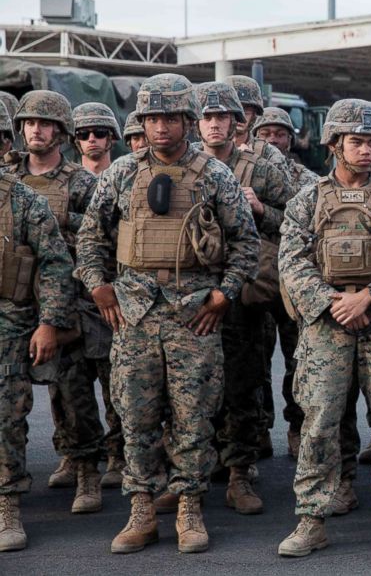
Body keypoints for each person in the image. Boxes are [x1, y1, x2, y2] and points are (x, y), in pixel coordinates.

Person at [75, 73, 259, 554]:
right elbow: (91, 237)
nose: (159, 128)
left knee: (193, 416)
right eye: (151, 118)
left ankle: (189, 506)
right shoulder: (121, 172)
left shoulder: (215, 175)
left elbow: (245, 243)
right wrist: (100, 288)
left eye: (169, 118)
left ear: (186, 121)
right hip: (133, 314)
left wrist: (224, 294)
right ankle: (140, 508)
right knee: (135, 414)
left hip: (193, 314)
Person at [277, 99, 371, 558]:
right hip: (327, 325)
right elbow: (292, 262)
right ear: (335, 144)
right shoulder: (308, 199)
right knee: (320, 419)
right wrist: (334, 302)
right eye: (357, 141)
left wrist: (370, 296)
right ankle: (311, 518)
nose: (367, 150)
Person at [193, 81, 293, 515]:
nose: (215, 125)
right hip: (191, 291)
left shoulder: (263, 166)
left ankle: (239, 473)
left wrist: (261, 210)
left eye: (223, 117)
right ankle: (189, 477)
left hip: (242, 293)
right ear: (194, 123)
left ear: (239, 122)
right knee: (187, 389)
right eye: (207, 117)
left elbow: (300, 218)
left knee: (242, 384)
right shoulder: (181, 165)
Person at [4, 91, 104, 513]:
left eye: (45, 124)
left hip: (68, 296)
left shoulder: (81, 183)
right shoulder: (11, 178)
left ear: (61, 132)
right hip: (15, 298)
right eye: (29, 123)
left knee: (72, 389)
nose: (36, 130)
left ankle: (87, 467)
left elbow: (102, 235)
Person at [0, 175, 75, 551]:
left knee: (5, 417)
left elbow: (55, 264)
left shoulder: (24, 201)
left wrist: (49, 324)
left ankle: (6, 503)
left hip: (9, 323)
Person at [251, 106, 315, 460]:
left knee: (298, 360)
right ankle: (259, 428)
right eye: (266, 133)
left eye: (280, 133)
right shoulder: (246, 171)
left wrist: (264, 210)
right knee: (255, 359)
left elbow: (305, 223)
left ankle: (297, 426)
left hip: (294, 283)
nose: (273, 138)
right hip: (255, 279)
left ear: (291, 139)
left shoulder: (305, 180)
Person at [70, 102, 127, 488]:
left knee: (116, 384)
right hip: (73, 294)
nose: (92, 139)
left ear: (111, 139)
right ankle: (76, 457)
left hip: (116, 295)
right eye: (85, 134)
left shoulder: (125, 177)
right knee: (70, 387)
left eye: (100, 133)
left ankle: (118, 454)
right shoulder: (68, 181)